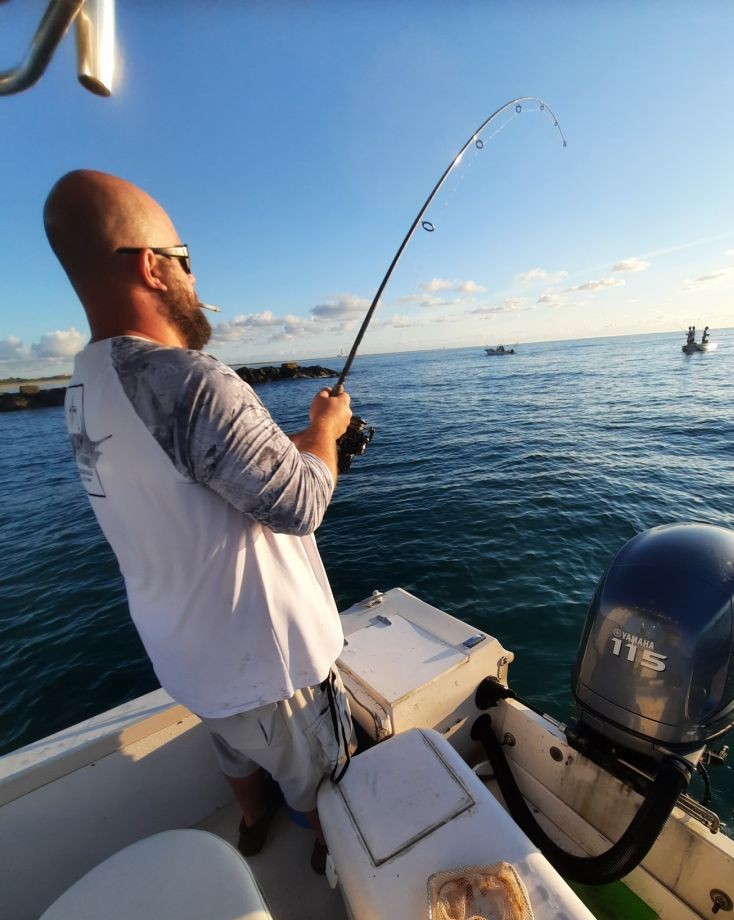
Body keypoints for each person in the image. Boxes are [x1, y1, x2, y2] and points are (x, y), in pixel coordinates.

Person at [43, 169, 355, 873]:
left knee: (234, 747)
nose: (193, 275)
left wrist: (294, 441)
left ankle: (251, 820)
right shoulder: (193, 382)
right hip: (278, 674)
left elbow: (203, 474)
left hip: (190, 664)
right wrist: (328, 429)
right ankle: (331, 854)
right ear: (152, 266)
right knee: (331, 784)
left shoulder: (84, 387)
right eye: (185, 257)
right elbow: (302, 503)